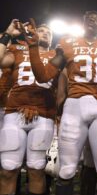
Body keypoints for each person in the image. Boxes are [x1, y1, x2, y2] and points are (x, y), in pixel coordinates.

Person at [24, 11, 97, 195]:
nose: (92, 19)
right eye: (88, 17)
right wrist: (33, 47)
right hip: (74, 107)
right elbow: (43, 76)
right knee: (67, 169)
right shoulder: (68, 43)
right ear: (83, 22)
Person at [0, 20, 57, 195]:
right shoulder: (18, 50)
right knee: (8, 169)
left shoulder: (57, 55)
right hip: (14, 112)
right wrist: (8, 34)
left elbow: (63, 88)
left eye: (49, 32)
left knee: (36, 168)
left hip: (43, 115)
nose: (45, 33)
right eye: (41, 30)